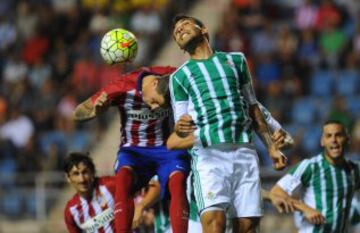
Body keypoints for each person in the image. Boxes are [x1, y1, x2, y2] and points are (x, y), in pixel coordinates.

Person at [167, 14, 287, 233]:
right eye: (176, 32)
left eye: (185, 25)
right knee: (214, 224)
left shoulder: (236, 60)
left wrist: (271, 147)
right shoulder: (179, 77)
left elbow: (252, 107)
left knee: (248, 226)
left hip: (244, 152)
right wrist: (179, 127)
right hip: (208, 157)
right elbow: (180, 129)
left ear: (203, 30)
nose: (179, 30)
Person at [73, 66, 190, 233]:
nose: (157, 108)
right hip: (134, 151)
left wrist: (141, 206)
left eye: (162, 105)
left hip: (167, 148)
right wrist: (96, 111)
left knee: (178, 181)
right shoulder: (121, 87)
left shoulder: (174, 75)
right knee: (123, 178)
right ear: (155, 83)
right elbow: (77, 113)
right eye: (156, 101)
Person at [271, 120, 360, 233]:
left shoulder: (355, 170)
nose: (334, 140)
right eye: (329, 136)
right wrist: (305, 209)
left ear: (348, 139)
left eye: (338, 135)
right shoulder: (310, 166)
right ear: (322, 141)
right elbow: (275, 193)